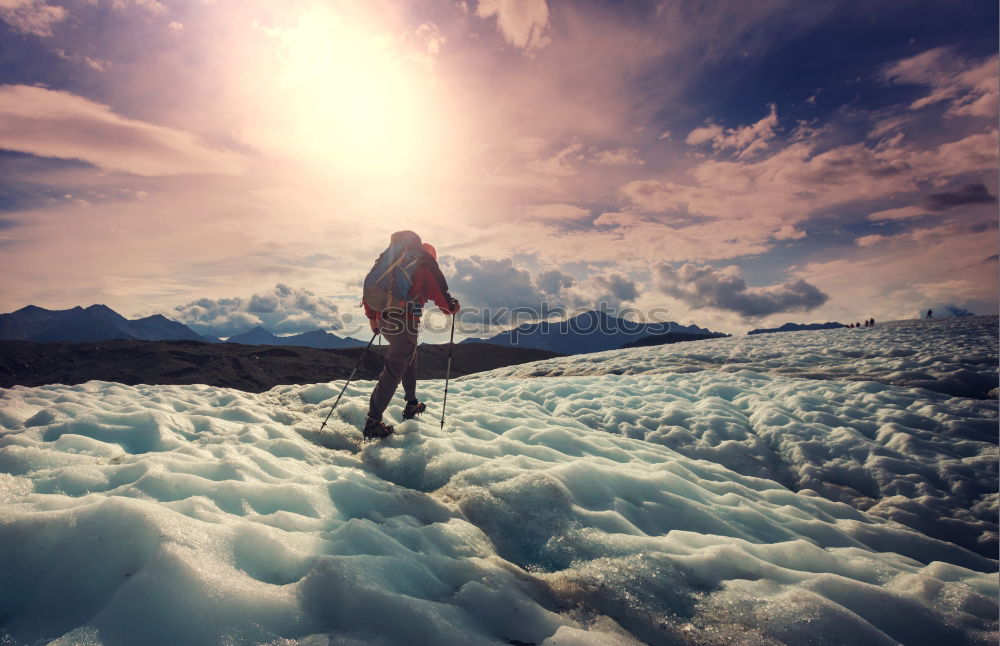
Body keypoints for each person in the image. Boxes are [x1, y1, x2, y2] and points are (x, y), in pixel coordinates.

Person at [361, 231, 459, 438]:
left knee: (408, 358)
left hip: (383, 319)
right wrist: (452, 307)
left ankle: (412, 403)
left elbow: (368, 289)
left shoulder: (390, 262)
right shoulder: (425, 263)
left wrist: (372, 318)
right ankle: (373, 421)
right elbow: (441, 294)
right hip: (404, 322)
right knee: (394, 369)